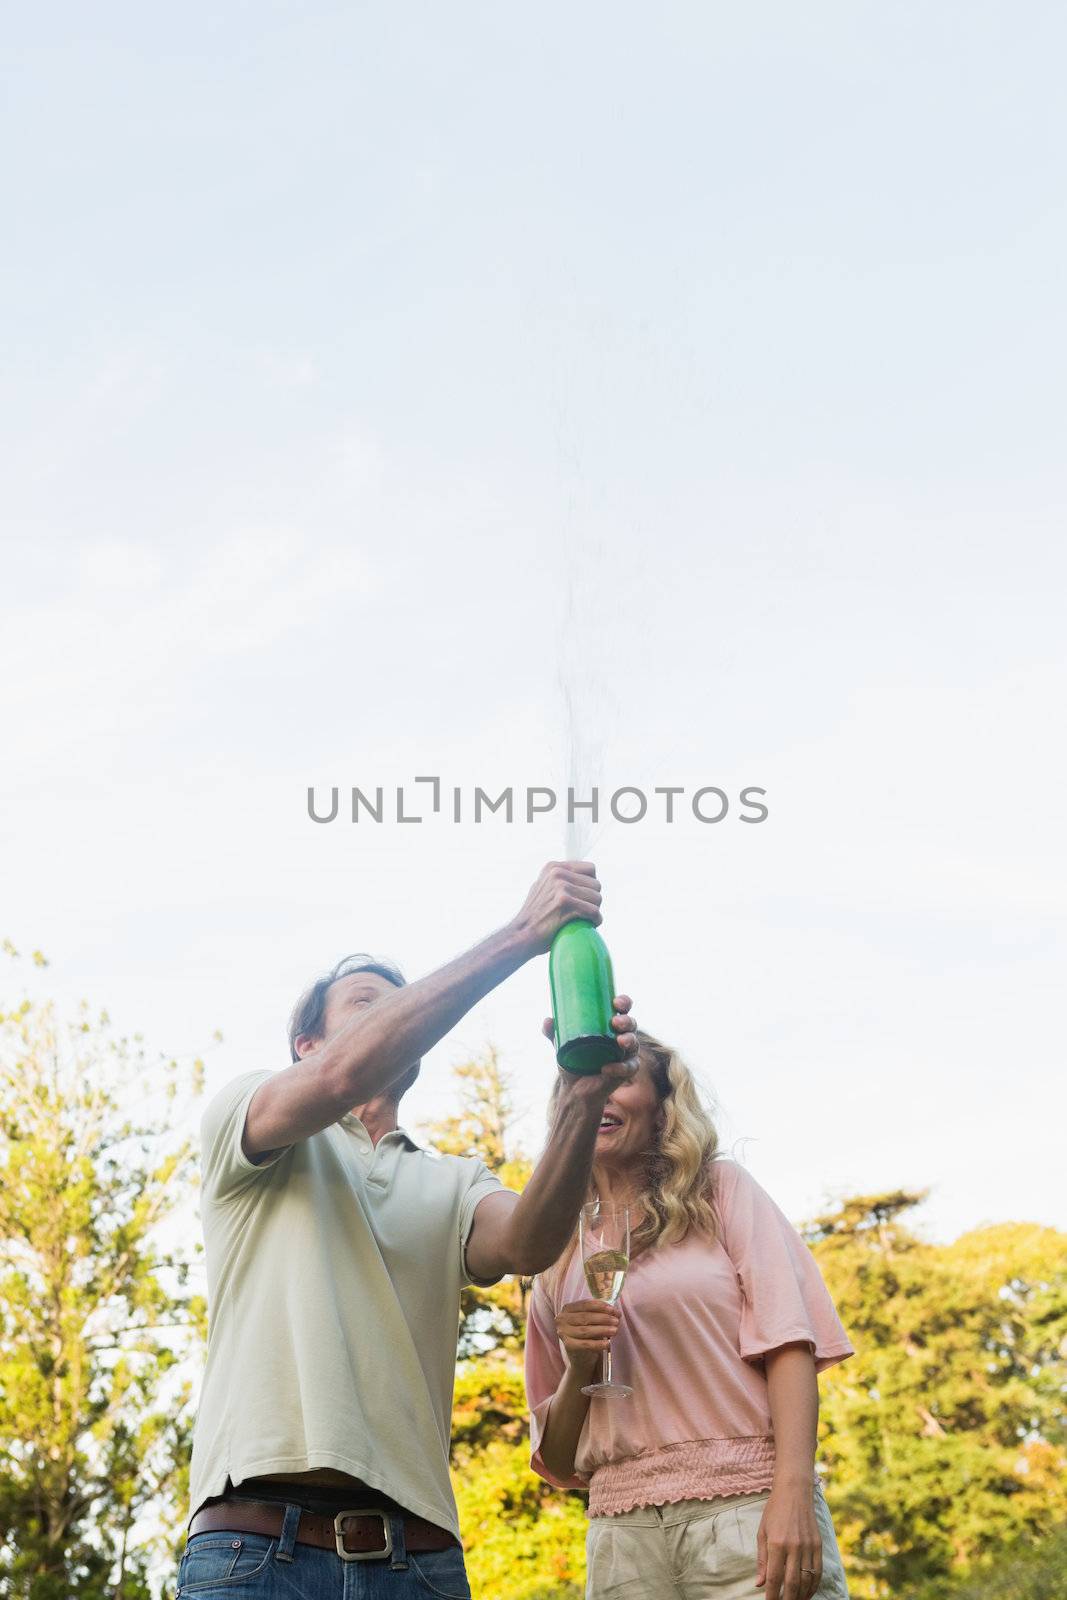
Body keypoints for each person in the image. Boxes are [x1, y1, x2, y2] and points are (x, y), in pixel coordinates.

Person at [178, 860, 639, 1600]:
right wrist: (523, 935)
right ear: (306, 1043)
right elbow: (339, 1081)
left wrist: (581, 1100)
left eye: (403, 1011)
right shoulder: (250, 1116)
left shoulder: (453, 1178)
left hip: (416, 1557)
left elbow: (527, 1244)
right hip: (255, 1546)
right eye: (365, 1004)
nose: (395, 1019)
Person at [525, 1029, 854, 1600]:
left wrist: (793, 1493)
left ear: (662, 1107)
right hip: (620, 1539)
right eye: (583, 1078)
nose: (600, 1091)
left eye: (621, 1077)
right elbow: (556, 1460)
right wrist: (580, 1369)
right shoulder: (552, 1247)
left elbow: (789, 1343)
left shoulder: (719, 1191)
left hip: (747, 1510)